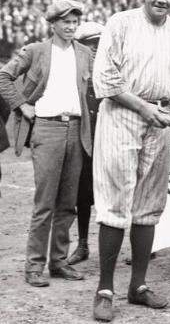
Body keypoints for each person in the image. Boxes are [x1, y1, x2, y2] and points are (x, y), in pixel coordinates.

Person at [91, 0, 170, 322]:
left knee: (149, 205)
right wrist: (144, 108)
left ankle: (137, 286)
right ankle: (105, 289)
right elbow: (106, 80)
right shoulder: (120, 24)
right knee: (115, 203)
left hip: (162, 121)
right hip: (122, 114)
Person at [0, 0, 93, 287]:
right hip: (47, 128)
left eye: (75, 21)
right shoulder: (37, 51)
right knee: (45, 203)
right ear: (52, 24)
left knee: (68, 203)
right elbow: (3, 76)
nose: (71, 26)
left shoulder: (85, 53)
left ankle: (59, 262)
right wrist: (21, 105)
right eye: (65, 21)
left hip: (77, 130)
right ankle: (33, 266)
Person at [67, 21, 104, 266]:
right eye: (90, 45)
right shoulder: (72, 69)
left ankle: (139, 245)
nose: (95, 50)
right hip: (84, 138)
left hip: (111, 137)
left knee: (121, 189)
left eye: (98, 44)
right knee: (82, 194)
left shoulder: (113, 67)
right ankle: (82, 244)